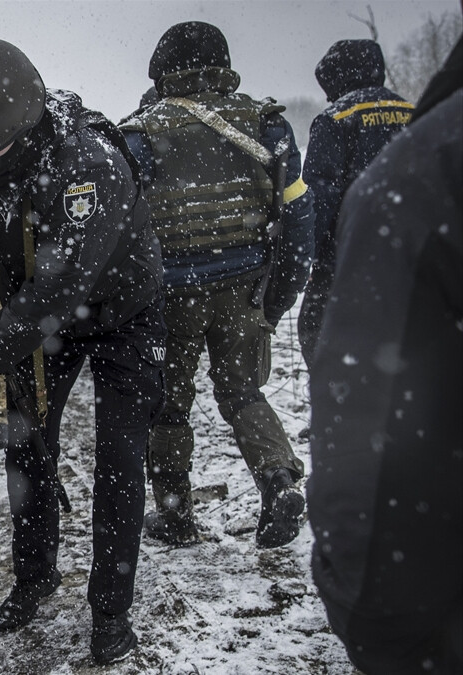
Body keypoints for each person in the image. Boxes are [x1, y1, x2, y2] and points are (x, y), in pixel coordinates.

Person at [0, 39, 165, 664]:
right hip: (34, 317)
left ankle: (110, 610)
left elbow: (66, 283)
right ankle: (34, 577)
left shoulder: (89, 163)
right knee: (23, 441)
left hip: (121, 310)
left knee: (119, 460)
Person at [119, 21, 316, 550]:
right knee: (243, 391)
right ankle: (277, 482)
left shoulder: (137, 133)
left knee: (170, 406)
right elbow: (299, 222)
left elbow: (123, 232)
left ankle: (175, 514)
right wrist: (273, 303)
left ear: (162, 73)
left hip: (172, 295)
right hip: (246, 287)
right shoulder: (267, 125)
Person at [307, 36, 462, 675]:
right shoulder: (412, 113)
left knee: (373, 416)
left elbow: (316, 201)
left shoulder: (340, 127)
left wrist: (321, 269)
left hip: (371, 276)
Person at [297, 39, 411, 367]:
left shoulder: (336, 118)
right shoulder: (414, 111)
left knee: (320, 340)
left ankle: (339, 410)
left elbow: (319, 196)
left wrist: (309, 256)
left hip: (346, 260)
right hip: (406, 256)